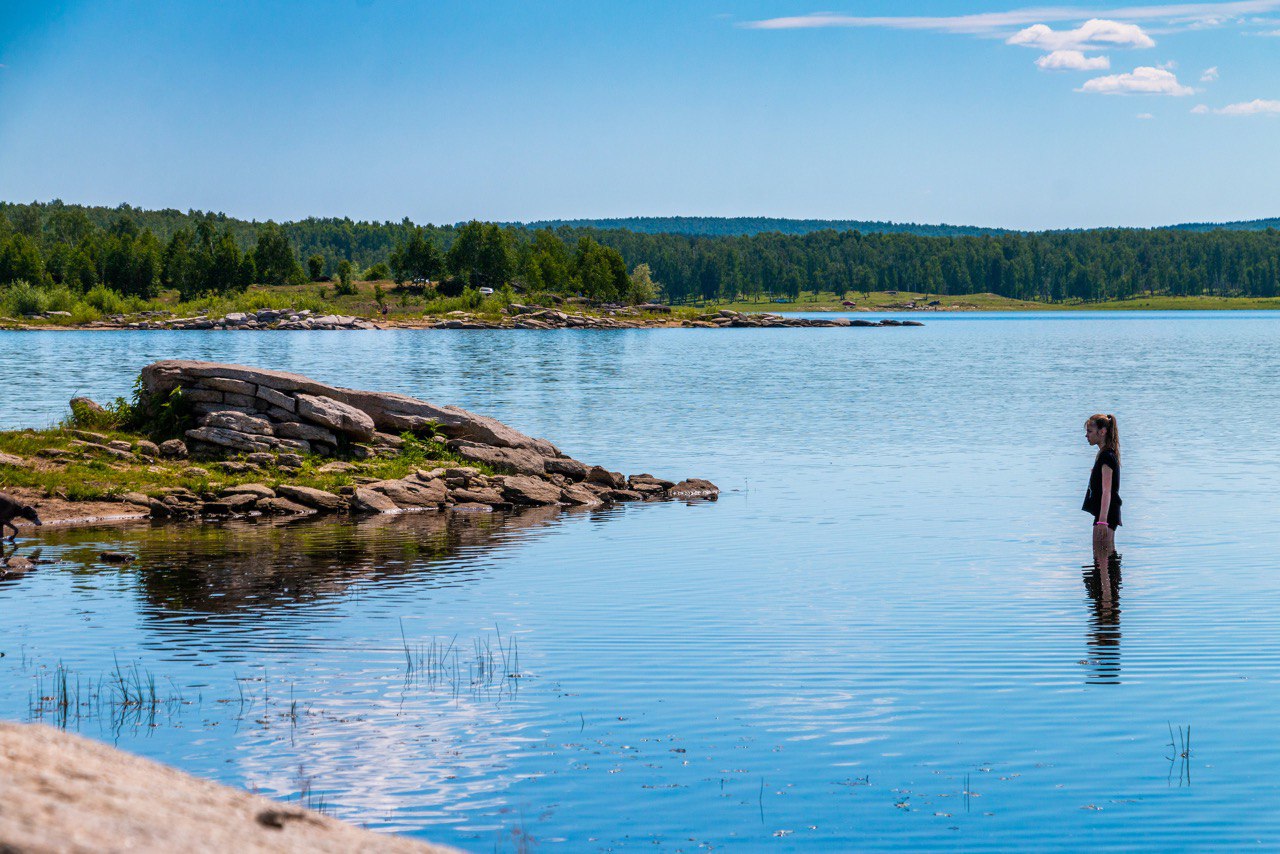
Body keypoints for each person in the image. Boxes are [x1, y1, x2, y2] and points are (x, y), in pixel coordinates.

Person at [1083, 413, 1121, 568]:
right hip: (1104, 514)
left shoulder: (1106, 456)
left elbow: (1107, 491)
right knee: (1101, 558)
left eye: (1090, 431)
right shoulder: (1105, 455)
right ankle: (1106, 590)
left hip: (1105, 516)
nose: (1086, 435)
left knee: (1102, 558)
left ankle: (1106, 592)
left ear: (1102, 431)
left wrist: (1102, 521)